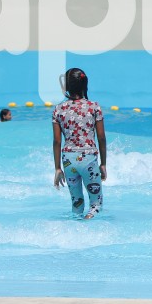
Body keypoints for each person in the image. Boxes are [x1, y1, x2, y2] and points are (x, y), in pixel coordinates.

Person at [52, 68, 107, 220]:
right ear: (84, 85)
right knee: (96, 204)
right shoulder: (94, 107)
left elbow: (57, 141)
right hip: (88, 158)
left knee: (77, 204)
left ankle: (75, 235)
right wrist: (103, 164)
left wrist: (57, 168)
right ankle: (89, 225)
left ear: (67, 86)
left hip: (68, 161)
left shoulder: (58, 109)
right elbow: (101, 138)